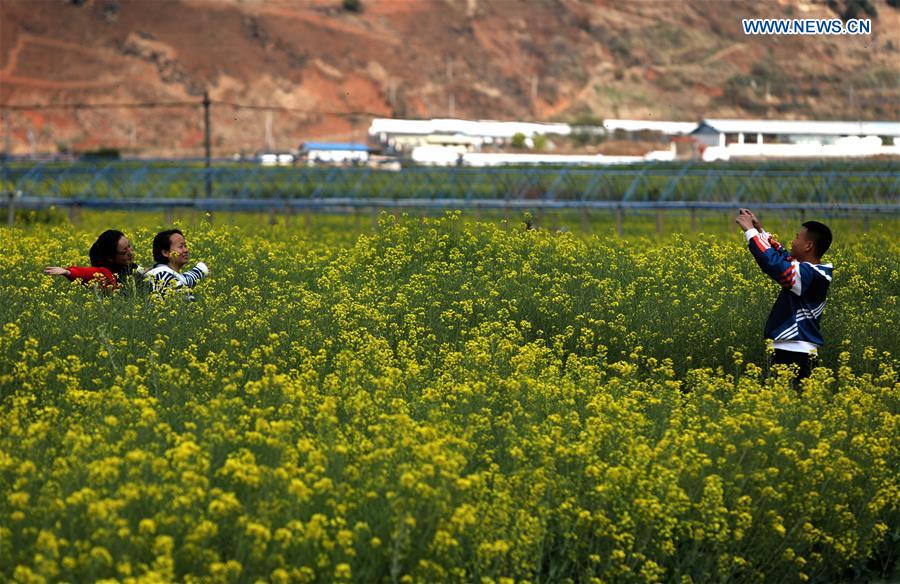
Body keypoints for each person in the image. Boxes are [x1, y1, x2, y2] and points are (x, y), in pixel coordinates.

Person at [735, 208, 833, 381]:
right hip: (791, 349)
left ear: (809, 246)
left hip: (796, 353)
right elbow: (782, 256)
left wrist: (750, 232)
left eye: (797, 237)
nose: (793, 242)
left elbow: (774, 263)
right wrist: (759, 230)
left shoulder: (810, 276)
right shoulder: (808, 271)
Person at [44, 229, 143, 291]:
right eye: (124, 251)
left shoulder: (130, 267)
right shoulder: (106, 275)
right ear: (110, 258)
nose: (130, 252)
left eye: (129, 246)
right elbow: (87, 273)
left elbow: (144, 272)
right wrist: (68, 272)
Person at [145, 229, 209, 300]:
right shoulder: (163, 275)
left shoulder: (171, 275)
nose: (186, 250)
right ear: (165, 253)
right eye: (180, 247)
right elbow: (186, 304)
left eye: (185, 246)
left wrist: (201, 269)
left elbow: (187, 279)